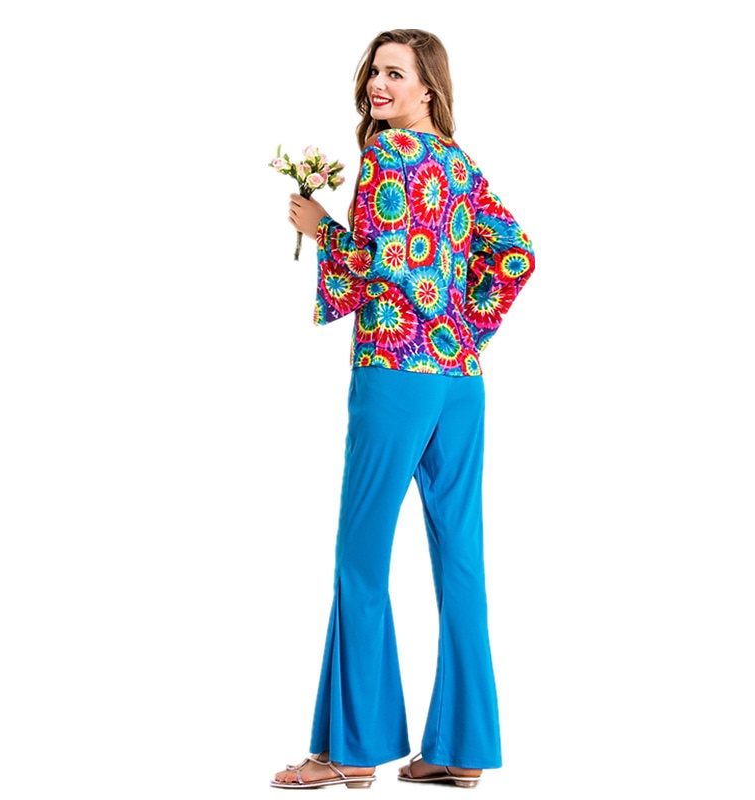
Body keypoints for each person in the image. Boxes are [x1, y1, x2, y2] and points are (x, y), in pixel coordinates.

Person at [270, 28, 535, 790]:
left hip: (395, 372)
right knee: (460, 560)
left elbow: (374, 264)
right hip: (459, 381)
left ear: (428, 88)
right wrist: (461, 327)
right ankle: (461, 750)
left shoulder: (387, 155)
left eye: (395, 74)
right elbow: (515, 253)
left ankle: (350, 752)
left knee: (361, 556)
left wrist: (320, 228)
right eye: (374, 72)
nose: (378, 86)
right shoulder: (459, 164)